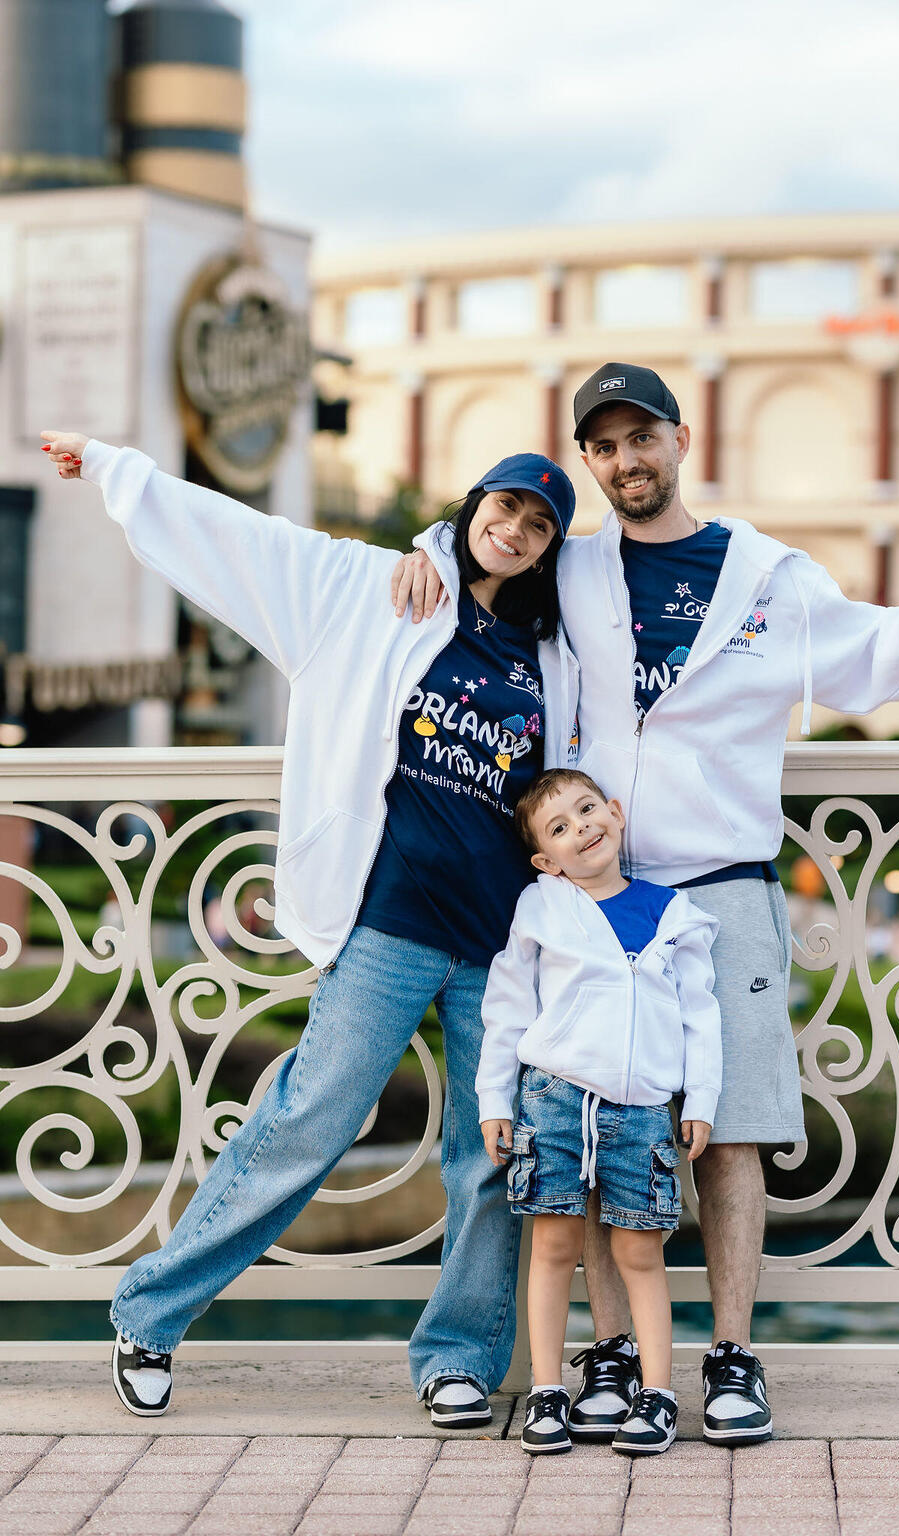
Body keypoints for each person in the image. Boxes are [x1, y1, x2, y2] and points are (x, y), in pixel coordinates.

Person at [389, 360, 899, 1444]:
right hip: (593, 889)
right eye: (604, 445)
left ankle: (731, 1357)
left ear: (681, 441)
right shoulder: (568, 570)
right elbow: (477, 567)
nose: (625, 459)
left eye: (642, 438)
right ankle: (613, 1353)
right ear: (588, 461)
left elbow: (879, 657)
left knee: (733, 1137)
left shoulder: (770, 577)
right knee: (584, 1122)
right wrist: (418, 547)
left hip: (722, 889)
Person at [40, 429, 579, 1427]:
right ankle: (150, 1313)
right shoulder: (375, 589)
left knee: (489, 1151)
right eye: (503, 509)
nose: (514, 531)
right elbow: (247, 540)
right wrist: (120, 470)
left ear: (552, 549)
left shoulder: (554, 652)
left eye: (539, 525)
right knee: (308, 1117)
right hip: (392, 916)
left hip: (504, 939)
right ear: (472, 511)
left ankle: (459, 1357)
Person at [476, 768, 721, 1456]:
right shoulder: (543, 908)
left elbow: (702, 1016)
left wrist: (699, 1097)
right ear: (544, 860)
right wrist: (495, 1098)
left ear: (615, 813)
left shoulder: (671, 912)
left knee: (640, 1251)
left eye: (588, 810)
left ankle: (657, 1393)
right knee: (553, 1245)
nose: (581, 826)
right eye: (560, 827)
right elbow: (507, 1006)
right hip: (554, 1102)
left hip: (641, 1112)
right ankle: (549, 1393)